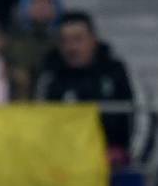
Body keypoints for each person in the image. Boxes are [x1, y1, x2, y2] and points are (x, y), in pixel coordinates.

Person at [34, 11, 140, 162]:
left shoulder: (117, 71)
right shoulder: (50, 76)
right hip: (64, 169)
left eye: (78, 39)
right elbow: (39, 122)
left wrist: (130, 157)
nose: (71, 47)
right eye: (65, 41)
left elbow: (142, 113)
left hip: (116, 168)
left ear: (93, 40)